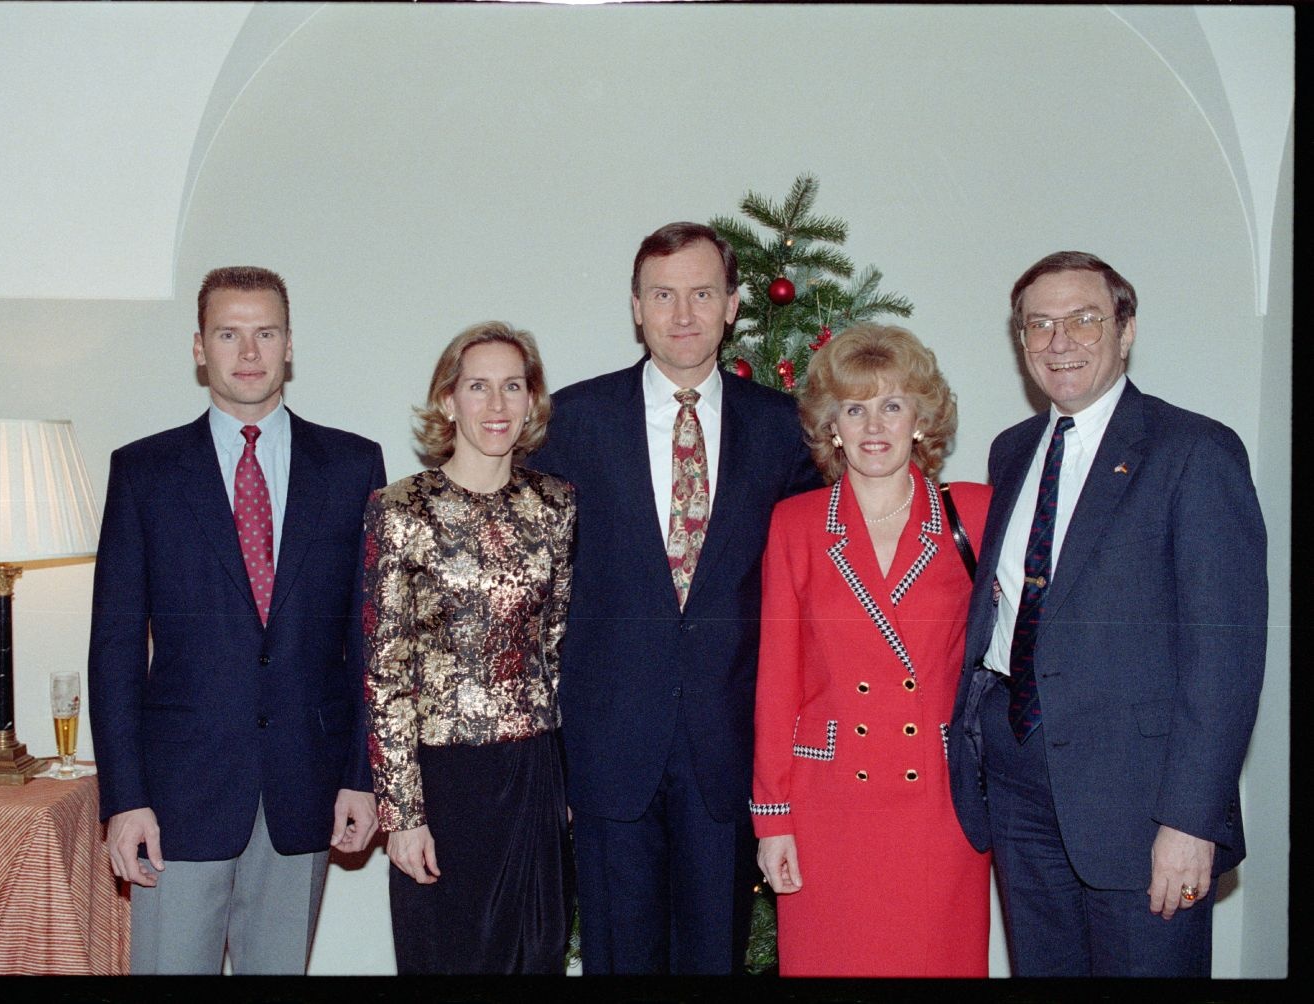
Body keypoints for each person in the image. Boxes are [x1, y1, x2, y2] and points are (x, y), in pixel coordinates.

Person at [948, 251, 1267, 976]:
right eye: (1040, 324)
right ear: (1022, 341)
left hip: (1141, 800)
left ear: (1125, 331)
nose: (1060, 340)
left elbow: (1225, 656)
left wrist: (1190, 820)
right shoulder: (1013, 451)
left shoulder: (1194, 451)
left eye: (1084, 319)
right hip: (1018, 784)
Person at [527, 222, 821, 974]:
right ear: (636, 307)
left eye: (701, 294)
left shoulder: (784, 431)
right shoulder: (570, 424)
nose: (683, 314)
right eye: (663, 296)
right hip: (607, 749)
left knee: (714, 959)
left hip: (729, 747)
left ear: (732, 305)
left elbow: (806, 596)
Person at [88, 266, 386, 974]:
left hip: (305, 789)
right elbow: (115, 648)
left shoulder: (352, 466)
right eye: (229, 334)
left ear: (289, 346)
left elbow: (372, 641)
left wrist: (362, 776)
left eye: (265, 333)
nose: (248, 353)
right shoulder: (144, 472)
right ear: (199, 347)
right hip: (178, 800)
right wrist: (124, 799)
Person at [751, 324, 991, 976]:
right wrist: (773, 818)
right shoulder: (796, 523)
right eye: (854, 409)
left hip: (938, 807)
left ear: (921, 419)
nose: (873, 424)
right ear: (832, 428)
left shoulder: (972, 514)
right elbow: (777, 680)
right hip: (829, 804)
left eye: (892, 404)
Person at [363, 321, 575, 974]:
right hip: (442, 780)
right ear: (448, 401)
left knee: (535, 958)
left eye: (513, 387)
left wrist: (568, 782)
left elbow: (559, 649)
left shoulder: (556, 505)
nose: (497, 405)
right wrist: (402, 813)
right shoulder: (399, 510)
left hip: (533, 774)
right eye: (478, 386)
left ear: (532, 402)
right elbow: (384, 671)